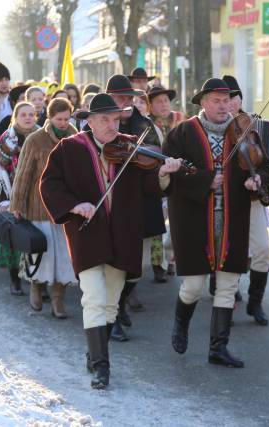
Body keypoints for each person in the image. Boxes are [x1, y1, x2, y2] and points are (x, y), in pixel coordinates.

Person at [40, 93, 181, 389]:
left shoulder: (129, 146)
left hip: (123, 234)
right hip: (87, 233)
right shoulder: (69, 148)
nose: (111, 125)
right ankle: (102, 367)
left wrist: (164, 174)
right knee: (93, 296)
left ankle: (94, 353)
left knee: (111, 304)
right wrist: (75, 205)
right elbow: (50, 184)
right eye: (104, 119)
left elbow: (149, 185)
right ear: (89, 121)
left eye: (116, 119)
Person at [163, 78, 269, 368]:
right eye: (216, 100)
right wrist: (204, 180)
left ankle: (218, 348)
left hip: (233, 216)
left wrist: (257, 179)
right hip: (193, 220)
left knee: (228, 283)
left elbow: (264, 165)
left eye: (226, 100)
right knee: (194, 285)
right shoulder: (182, 133)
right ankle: (180, 323)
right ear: (202, 102)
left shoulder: (244, 131)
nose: (223, 105)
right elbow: (168, 176)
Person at [221, 74, 269, 324]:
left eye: (233, 98)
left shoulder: (255, 126)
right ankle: (226, 293)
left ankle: (255, 302)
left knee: (262, 250)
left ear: (239, 100)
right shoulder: (213, 128)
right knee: (227, 249)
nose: (228, 104)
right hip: (224, 198)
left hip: (253, 198)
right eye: (223, 99)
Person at [105, 74, 163, 341]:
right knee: (114, 266)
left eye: (129, 98)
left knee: (135, 268)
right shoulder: (99, 124)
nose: (127, 102)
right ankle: (113, 315)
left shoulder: (144, 124)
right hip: (110, 205)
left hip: (140, 202)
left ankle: (120, 304)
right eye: (121, 98)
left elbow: (155, 153)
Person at [9, 98, 77, 317]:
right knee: (41, 255)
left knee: (65, 258)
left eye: (67, 118)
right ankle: (36, 287)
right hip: (39, 206)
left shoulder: (76, 136)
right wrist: (17, 204)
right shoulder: (35, 140)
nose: (64, 123)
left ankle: (58, 299)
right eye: (59, 119)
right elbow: (23, 175)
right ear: (49, 117)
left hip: (66, 208)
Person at [0, 102, 39, 294]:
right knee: (14, 235)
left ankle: (37, 279)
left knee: (37, 237)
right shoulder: (7, 139)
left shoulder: (41, 137)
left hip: (37, 194)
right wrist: (4, 199)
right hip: (12, 193)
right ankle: (14, 279)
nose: (28, 118)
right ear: (16, 117)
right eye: (23, 114)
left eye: (31, 114)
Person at [148, 84, 184, 280]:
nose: (163, 104)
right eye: (158, 101)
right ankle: (157, 264)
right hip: (156, 177)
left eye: (166, 100)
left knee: (178, 221)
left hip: (178, 178)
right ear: (150, 105)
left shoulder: (180, 120)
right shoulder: (146, 125)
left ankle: (172, 258)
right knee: (157, 224)